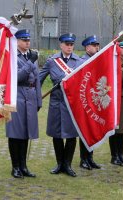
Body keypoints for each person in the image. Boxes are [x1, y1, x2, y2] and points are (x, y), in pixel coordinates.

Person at [39, 33, 82, 177]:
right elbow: (39, 79)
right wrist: (33, 97)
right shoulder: (52, 61)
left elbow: (84, 82)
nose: (69, 47)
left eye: (71, 44)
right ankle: (59, 164)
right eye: (67, 44)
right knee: (56, 134)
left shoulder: (79, 62)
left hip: (72, 104)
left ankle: (67, 165)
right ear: (61, 45)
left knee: (71, 135)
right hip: (56, 102)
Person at [6, 29, 42, 179]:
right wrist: (29, 63)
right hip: (17, 97)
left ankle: (23, 166)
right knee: (15, 134)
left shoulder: (31, 56)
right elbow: (17, 77)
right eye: (23, 40)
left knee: (26, 133)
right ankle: (15, 167)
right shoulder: (12, 56)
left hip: (31, 97)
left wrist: (39, 100)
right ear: (17, 41)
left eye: (28, 40)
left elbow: (37, 79)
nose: (27, 42)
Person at [79, 35, 101, 170]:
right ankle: (83, 159)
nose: (97, 47)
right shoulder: (82, 61)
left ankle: (90, 158)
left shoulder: (97, 60)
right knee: (85, 129)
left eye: (97, 45)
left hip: (94, 99)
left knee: (92, 129)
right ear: (87, 47)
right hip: (84, 100)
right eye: (94, 45)